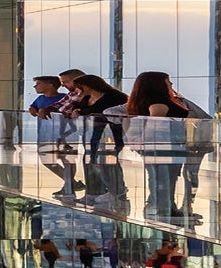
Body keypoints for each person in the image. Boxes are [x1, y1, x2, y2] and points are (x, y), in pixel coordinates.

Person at [126, 71, 197, 218]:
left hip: (163, 145)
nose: (171, 84)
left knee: (162, 176)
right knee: (162, 177)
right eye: (167, 81)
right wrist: (143, 138)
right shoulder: (157, 99)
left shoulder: (144, 99)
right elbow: (156, 118)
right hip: (164, 145)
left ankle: (165, 206)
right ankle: (162, 207)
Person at [69, 74, 128, 155]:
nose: (77, 90)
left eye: (79, 86)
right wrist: (75, 110)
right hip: (94, 126)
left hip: (116, 126)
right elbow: (79, 107)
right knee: (94, 140)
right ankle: (92, 158)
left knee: (118, 143)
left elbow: (100, 110)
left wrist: (81, 111)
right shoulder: (87, 97)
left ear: (88, 86)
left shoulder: (113, 96)